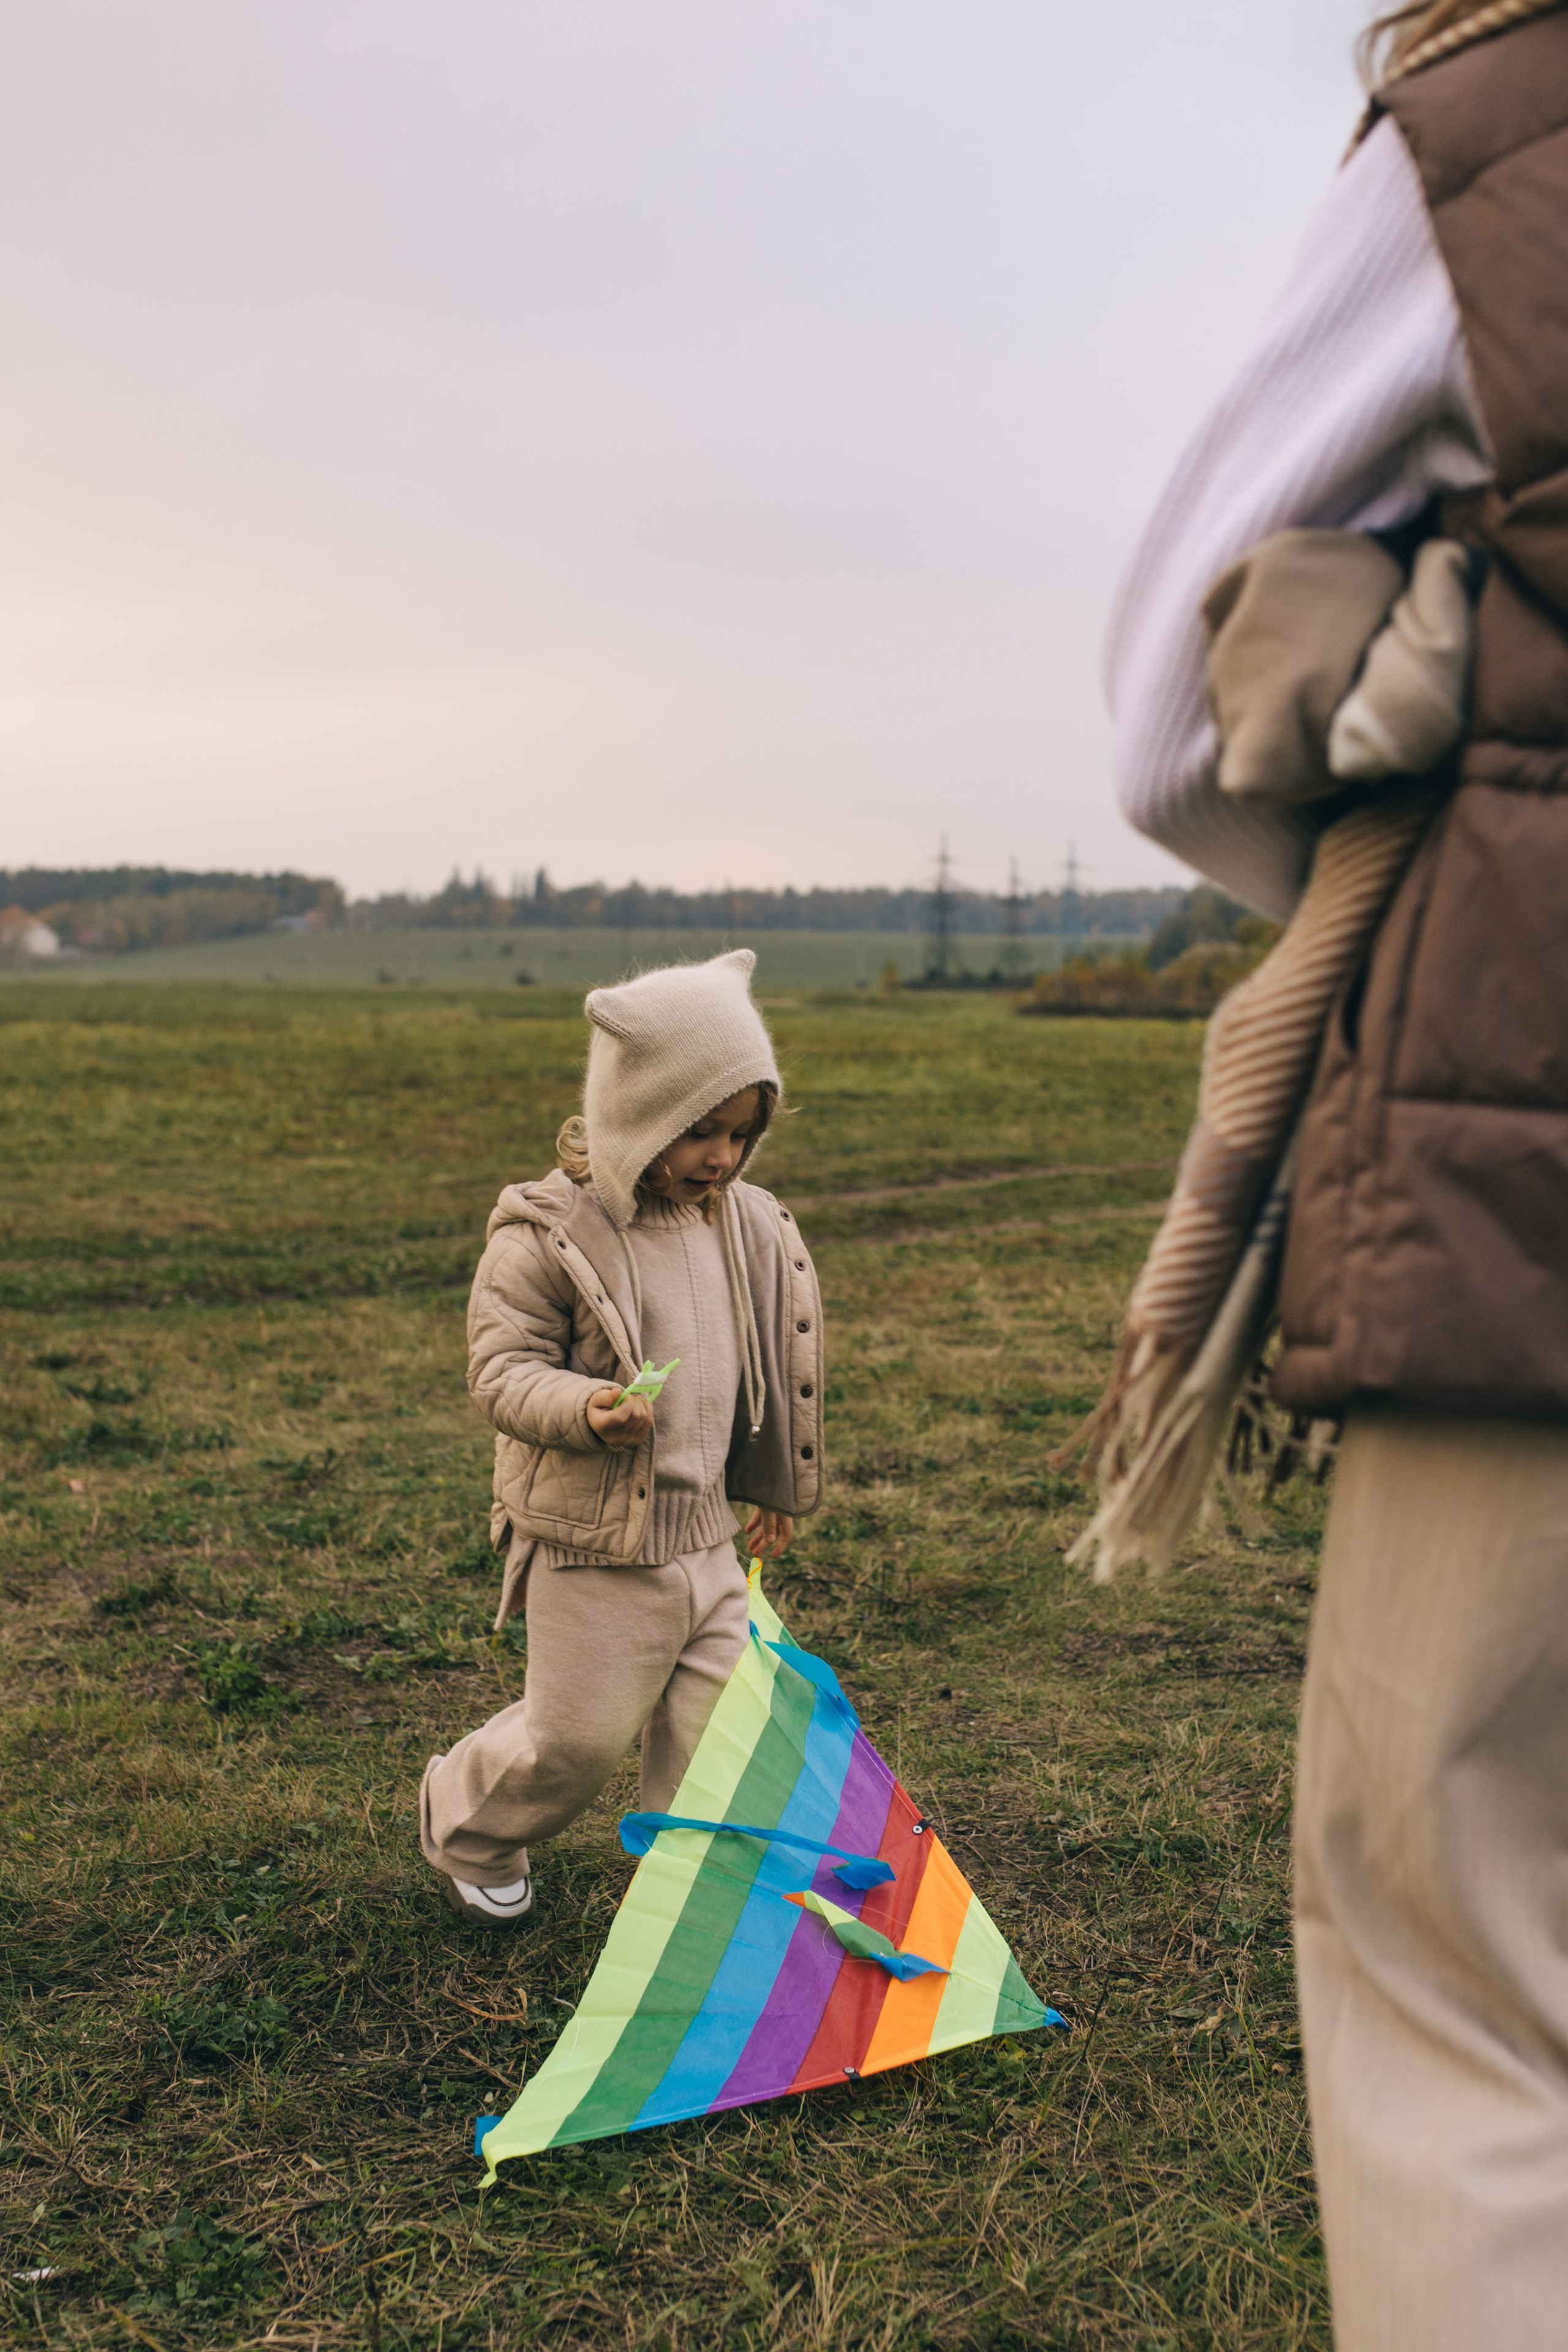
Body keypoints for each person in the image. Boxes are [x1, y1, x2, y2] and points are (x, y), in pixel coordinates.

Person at [1106, 2, 1568, 2345]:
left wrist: (1435, 704)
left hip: (1536, 1195)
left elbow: (1174, 720)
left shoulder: (1506, 118)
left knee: (1469, 1979)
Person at [420, 949, 824, 1929]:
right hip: (594, 1545)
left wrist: (772, 1483)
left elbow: (771, 1358)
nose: (720, 1157)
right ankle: (465, 1822)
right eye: (698, 1131)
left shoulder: (746, 1225)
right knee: (576, 1743)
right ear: (633, 1110)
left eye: (740, 1133)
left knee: (713, 1738)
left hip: (707, 1540)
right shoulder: (549, 1232)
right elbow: (501, 1369)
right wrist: (584, 1409)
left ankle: (689, 1911)